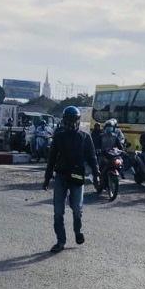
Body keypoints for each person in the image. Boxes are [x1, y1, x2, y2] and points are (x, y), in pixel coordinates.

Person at [43, 106, 99, 253]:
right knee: (58, 211)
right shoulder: (59, 136)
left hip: (77, 177)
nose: (71, 123)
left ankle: (77, 231)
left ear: (78, 121)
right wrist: (47, 178)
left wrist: (97, 175)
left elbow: (92, 158)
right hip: (61, 176)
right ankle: (60, 241)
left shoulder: (85, 137)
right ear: (64, 120)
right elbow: (52, 158)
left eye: (74, 120)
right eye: (68, 120)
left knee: (76, 209)